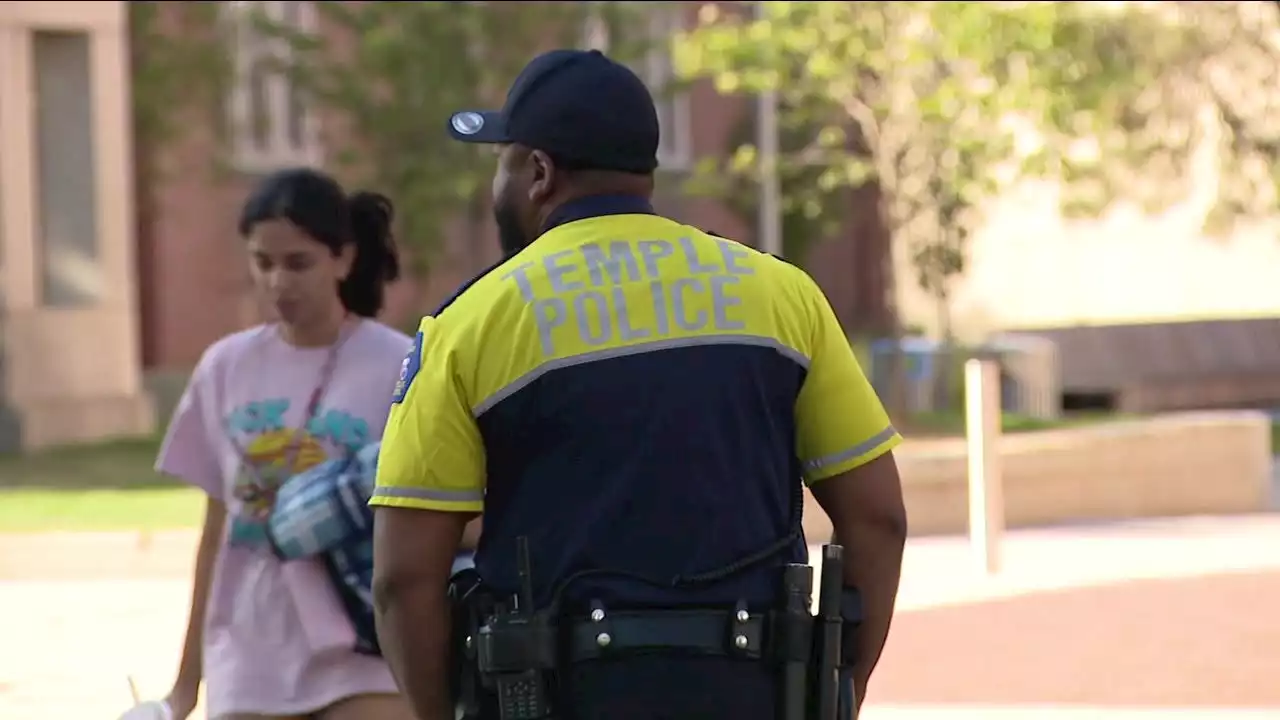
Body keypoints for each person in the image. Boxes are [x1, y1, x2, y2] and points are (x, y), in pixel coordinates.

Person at [370, 49, 907, 720]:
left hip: (562, 698)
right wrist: (839, 690)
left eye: (502, 162)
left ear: (538, 173)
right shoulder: (783, 296)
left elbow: (403, 577)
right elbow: (879, 519)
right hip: (755, 694)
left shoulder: (470, 324)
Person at [155, 168, 419, 720]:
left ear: (342, 259)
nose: (279, 282)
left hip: (364, 652)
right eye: (263, 263)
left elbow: (430, 517)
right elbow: (215, 537)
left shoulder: (398, 365)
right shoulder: (225, 367)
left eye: (298, 263)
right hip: (250, 659)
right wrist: (185, 686)